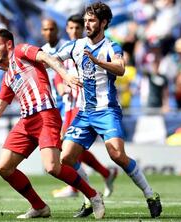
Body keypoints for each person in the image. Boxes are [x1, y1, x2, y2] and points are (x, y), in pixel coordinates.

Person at [0, 28, 105, 219]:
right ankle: (39, 207)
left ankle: (93, 195)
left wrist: (66, 76)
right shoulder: (8, 76)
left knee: (52, 167)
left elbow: (47, 58)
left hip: (46, 116)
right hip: (26, 122)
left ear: (8, 44)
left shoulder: (21, 50)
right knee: (4, 168)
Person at [55, 2, 162, 218]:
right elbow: (53, 58)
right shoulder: (75, 46)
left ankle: (150, 195)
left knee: (117, 155)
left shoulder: (111, 46)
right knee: (66, 158)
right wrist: (63, 75)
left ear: (103, 23)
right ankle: (90, 198)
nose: (87, 24)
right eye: (85, 20)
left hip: (107, 111)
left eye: (92, 20)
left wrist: (98, 62)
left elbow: (121, 68)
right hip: (84, 112)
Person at [50, 14, 118, 218]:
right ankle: (104, 175)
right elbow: (57, 73)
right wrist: (61, 85)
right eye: (69, 28)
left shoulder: (85, 46)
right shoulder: (68, 48)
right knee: (70, 149)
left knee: (67, 148)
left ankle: (84, 190)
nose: (73, 31)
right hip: (68, 104)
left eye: (76, 27)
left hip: (83, 106)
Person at [40, 18, 67, 117]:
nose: (49, 32)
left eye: (51, 29)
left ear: (57, 30)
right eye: (46, 29)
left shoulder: (66, 46)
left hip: (67, 97)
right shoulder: (42, 51)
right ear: (42, 31)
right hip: (51, 100)